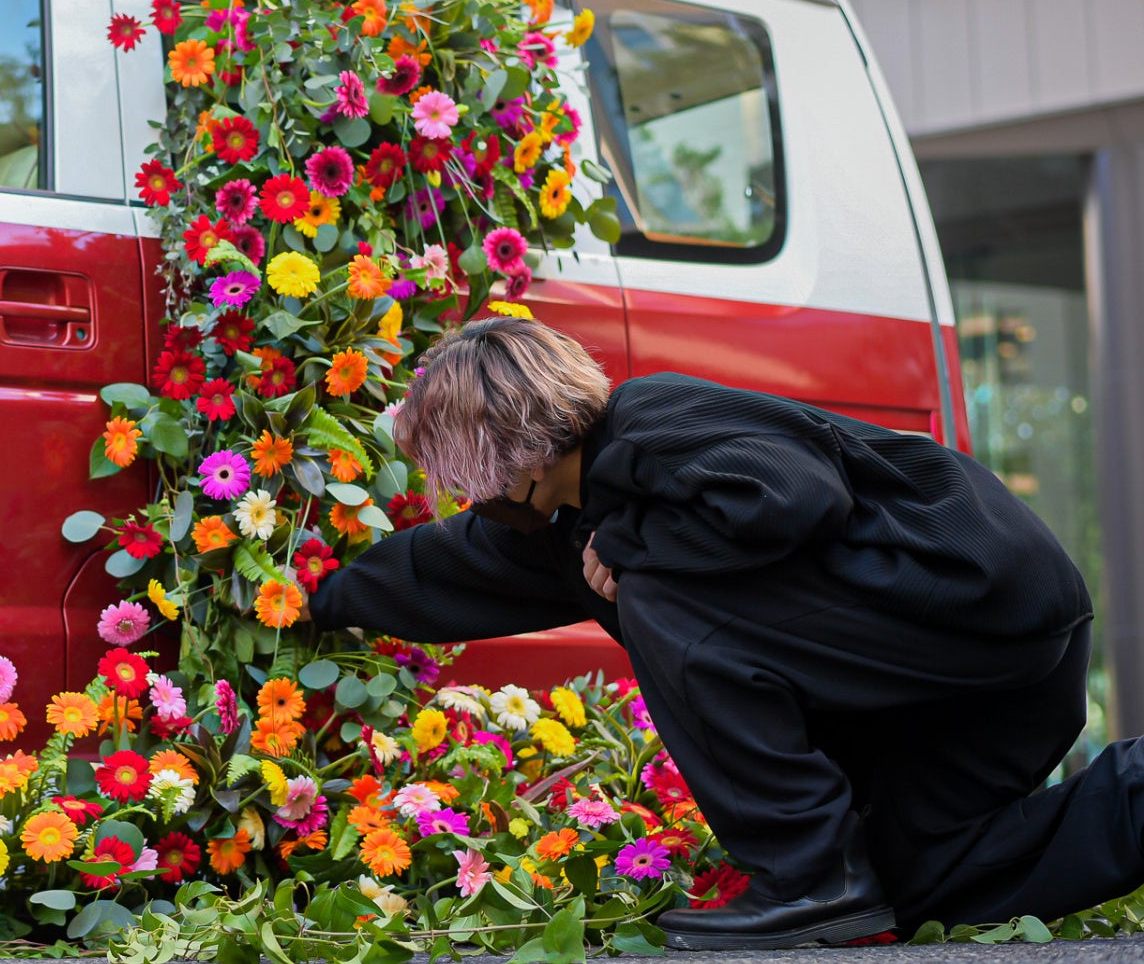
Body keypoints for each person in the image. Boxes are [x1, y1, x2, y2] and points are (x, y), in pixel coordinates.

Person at [307, 316, 1144, 951]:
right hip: (980, 686)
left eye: (462, 479)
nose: (463, 500)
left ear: (512, 460)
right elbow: (444, 566)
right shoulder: (565, 521)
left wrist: (630, 549)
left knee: (659, 598)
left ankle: (811, 876)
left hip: (974, 605)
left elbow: (793, 493)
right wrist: (315, 593)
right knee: (916, 881)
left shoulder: (650, 420)